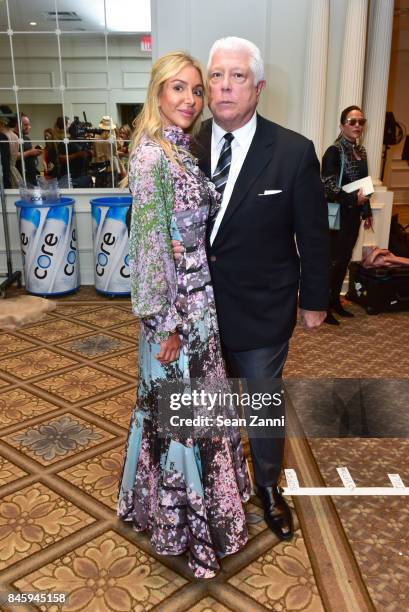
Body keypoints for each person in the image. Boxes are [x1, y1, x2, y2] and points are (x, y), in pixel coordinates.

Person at [174, 37, 329, 541]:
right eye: (216, 76)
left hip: (263, 309)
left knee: (262, 403)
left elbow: (312, 235)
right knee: (204, 407)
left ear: (258, 87)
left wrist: (315, 300)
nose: (224, 86)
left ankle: (267, 487)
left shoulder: (292, 151)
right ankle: (211, 488)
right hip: (196, 311)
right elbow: (151, 217)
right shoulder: (181, 146)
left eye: (237, 76)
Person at [117, 51, 250, 579]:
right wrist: (164, 324)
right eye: (179, 89)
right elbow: (148, 248)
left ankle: (192, 515)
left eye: (196, 90)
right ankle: (181, 527)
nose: (191, 100)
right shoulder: (151, 158)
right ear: (157, 93)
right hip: (174, 316)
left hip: (201, 309)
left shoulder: (180, 151)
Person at [322, 105, 372, 325]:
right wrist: (354, 200)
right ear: (342, 125)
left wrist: (366, 210)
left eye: (361, 121)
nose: (358, 126)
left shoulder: (361, 152)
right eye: (352, 122)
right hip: (336, 214)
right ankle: (323, 306)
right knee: (332, 261)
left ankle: (335, 301)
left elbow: (365, 183)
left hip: (353, 215)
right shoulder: (334, 151)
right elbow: (328, 186)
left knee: (344, 259)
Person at [15, 113, 42, 185]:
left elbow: (28, 152)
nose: (29, 127)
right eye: (25, 125)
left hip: (31, 176)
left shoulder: (27, 138)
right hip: (21, 176)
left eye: (28, 124)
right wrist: (30, 152)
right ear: (17, 125)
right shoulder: (13, 138)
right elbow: (13, 156)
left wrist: (35, 152)